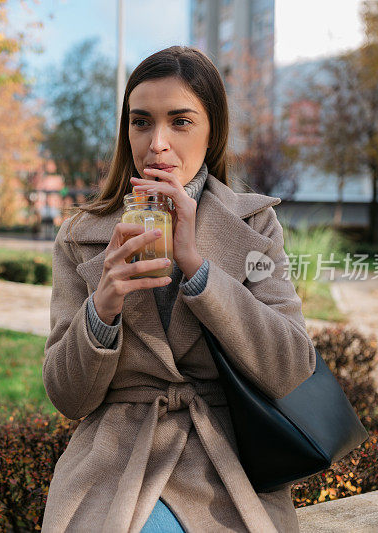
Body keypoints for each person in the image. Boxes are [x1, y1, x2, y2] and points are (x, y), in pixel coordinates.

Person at [40, 46, 317, 532]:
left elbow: (292, 368)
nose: (157, 144)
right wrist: (102, 307)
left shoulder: (255, 224)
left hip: (228, 460)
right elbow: (68, 398)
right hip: (114, 460)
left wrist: (198, 267)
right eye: (141, 122)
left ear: (212, 132)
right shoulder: (81, 234)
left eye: (181, 122)